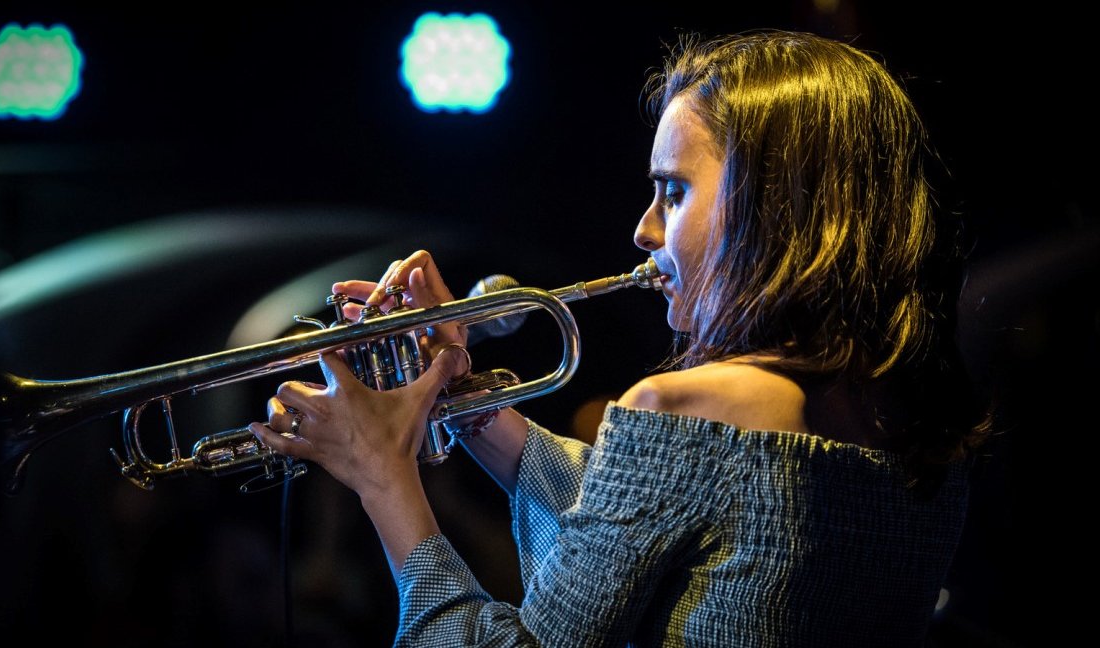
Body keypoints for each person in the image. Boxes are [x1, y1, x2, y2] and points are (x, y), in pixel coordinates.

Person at [248, 29, 991, 647]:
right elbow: (638, 517)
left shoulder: (687, 404)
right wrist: (458, 389)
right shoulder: (922, 421)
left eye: (674, 190)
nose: (644, 229)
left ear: (774, 203)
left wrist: (381, 474)